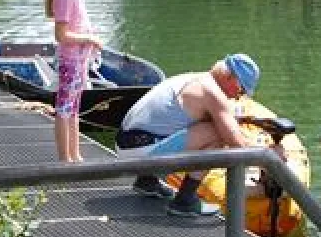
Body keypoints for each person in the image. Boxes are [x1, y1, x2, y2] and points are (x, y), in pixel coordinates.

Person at [115, 53, 282, 217]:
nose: (238, 96)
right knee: (218, 133)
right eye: (241, 90)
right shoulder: (213, 93)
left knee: (198, 126)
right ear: (230, 77)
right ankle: (185, 201)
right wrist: (269, 156)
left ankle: (146, 181)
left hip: (125, 145)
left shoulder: (195, 78)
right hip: (139, 154)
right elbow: (237, 144)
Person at [45, 0, 104, 162]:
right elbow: (61, 35)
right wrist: (89, 38)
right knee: (64, 110)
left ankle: (75, 155)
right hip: (70, 62)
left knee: (74, 109)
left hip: (80, 62)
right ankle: (64, 158)